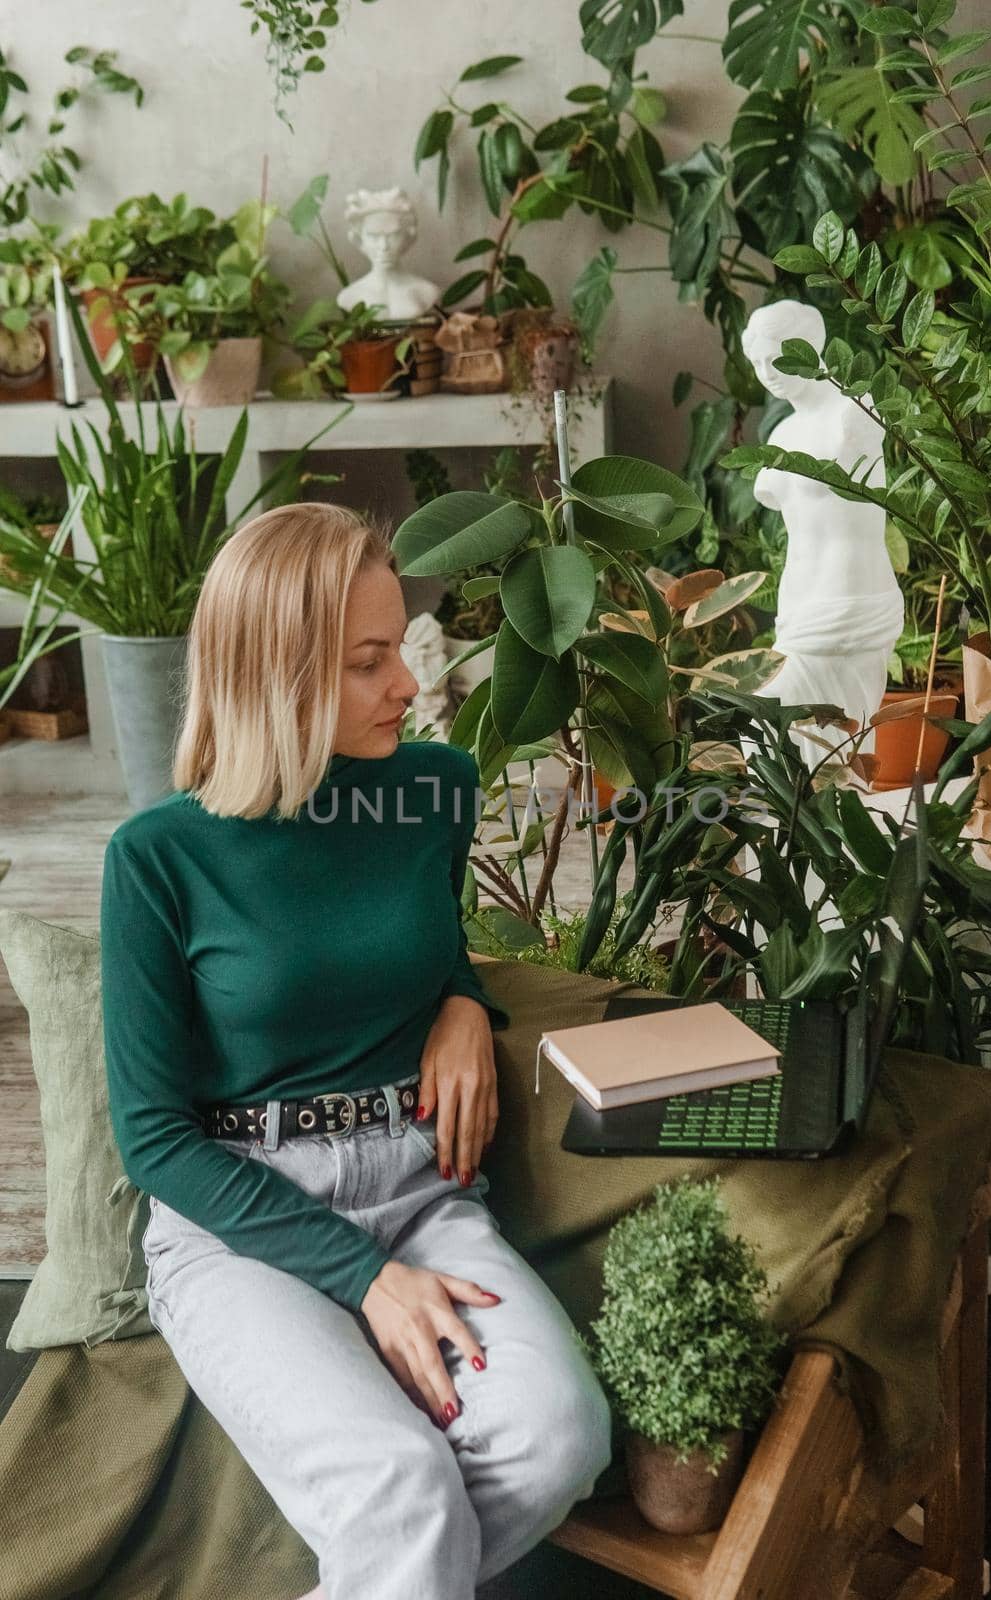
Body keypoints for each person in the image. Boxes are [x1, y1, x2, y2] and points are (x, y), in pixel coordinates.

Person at [99, 502, 613, 1600]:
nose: (407, 686)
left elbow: (430, 951)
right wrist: (364, 1277)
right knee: (397, 1487)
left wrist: (466, 1007)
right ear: (274, 672)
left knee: (559, 1436)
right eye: (368, 661)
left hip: (418, 1186)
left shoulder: (432, 792)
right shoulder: (156, 858)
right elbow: (152, 1138)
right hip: (237, 1221)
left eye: (402, 648)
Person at [740, 299, 904, 768]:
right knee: (819, 744)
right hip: (797, 610)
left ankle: (827, 833)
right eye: (756, 362)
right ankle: (815, 836)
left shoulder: (854, 412)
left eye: (775, 358)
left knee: (777, 722)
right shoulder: (782, 435)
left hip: (849, 604)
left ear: (809, 347)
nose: (766, 372)